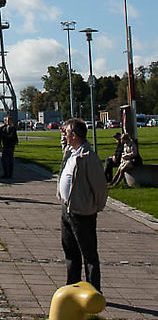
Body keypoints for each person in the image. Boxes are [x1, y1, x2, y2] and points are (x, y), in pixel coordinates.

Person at [57, 118, 108, 293]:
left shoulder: (88, 157)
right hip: (67, 209)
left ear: (75, 135)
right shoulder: (70, 152)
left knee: (89, 254)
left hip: (82, 211)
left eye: (67, 133)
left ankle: (94, 292)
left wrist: (94, 207)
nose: (65, 135)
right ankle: (73, 286)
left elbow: (100, 187)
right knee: (70, 251)